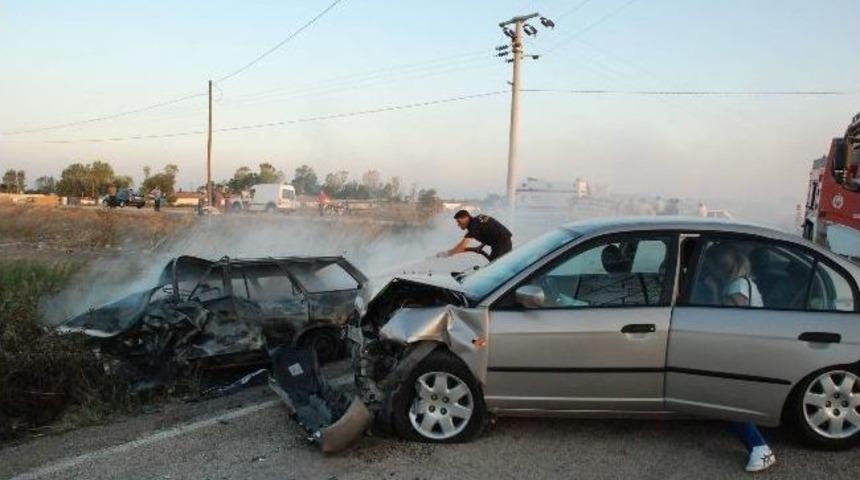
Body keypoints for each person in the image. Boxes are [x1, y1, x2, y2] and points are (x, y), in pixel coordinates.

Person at [698, 242, 775, 472]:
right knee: (729, 402)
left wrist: (711, 291)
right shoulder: (741, 283)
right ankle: (757, 447)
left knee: (731, 401)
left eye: (710, 267)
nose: (707, 271)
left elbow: (727, 321)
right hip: (747, 347)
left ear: (721, 268)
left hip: (744, 350)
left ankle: (760, 448)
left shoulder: (738, 287)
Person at [438, 210, 512, 261]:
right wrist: (481, 246)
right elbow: (489, 231)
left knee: (495, 268)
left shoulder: (473, 227)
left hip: (501, 244)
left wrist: (448, 253)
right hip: (502, 242)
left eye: (459, 221)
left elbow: (462, 246)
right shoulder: (476, 220)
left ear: (466, 218)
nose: (458, 224)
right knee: (494, 265)